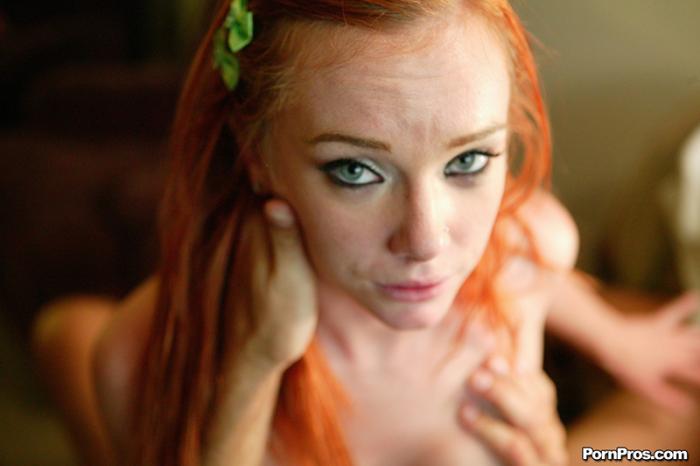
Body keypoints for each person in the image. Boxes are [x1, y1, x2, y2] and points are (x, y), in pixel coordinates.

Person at [30, 0, 700, 465]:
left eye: (468, 161)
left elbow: (534, 268)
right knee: (67, 335)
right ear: (255, 152)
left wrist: (612, 348)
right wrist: (252, 368)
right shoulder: (137, 355)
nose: (427, 241)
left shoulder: (529, 245)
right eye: (355, 171)